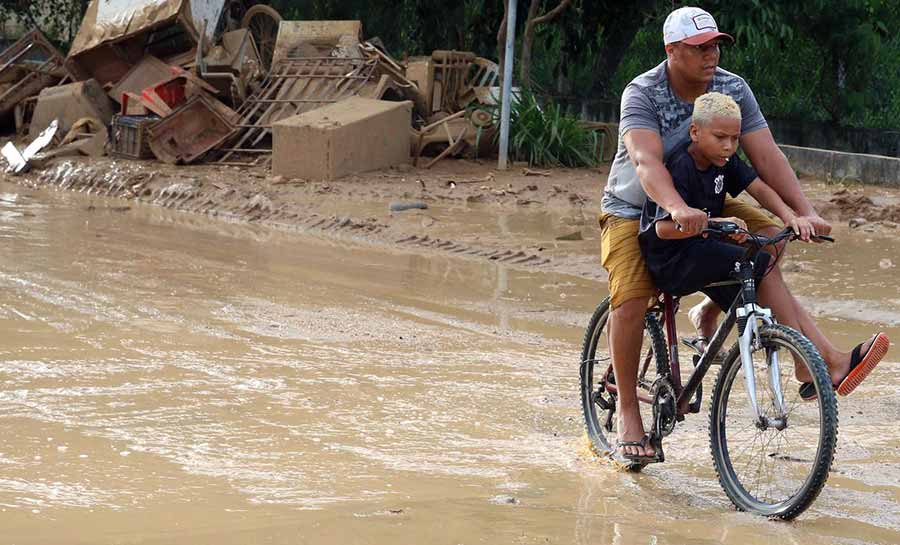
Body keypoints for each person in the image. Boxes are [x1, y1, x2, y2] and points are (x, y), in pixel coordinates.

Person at [599, 6, 889, 461]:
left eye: (715, 45)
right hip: (642, 206)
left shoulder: (732, 88)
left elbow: (765, 159)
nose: (711, 55)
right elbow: (646, 163)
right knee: (633, 298)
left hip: (708, 199)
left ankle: (806, 361)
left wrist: (804, 212)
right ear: (671, 51)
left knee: (767, 242)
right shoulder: (643, 92)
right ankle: (631, 417)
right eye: (699, 48)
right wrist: (678, 208)